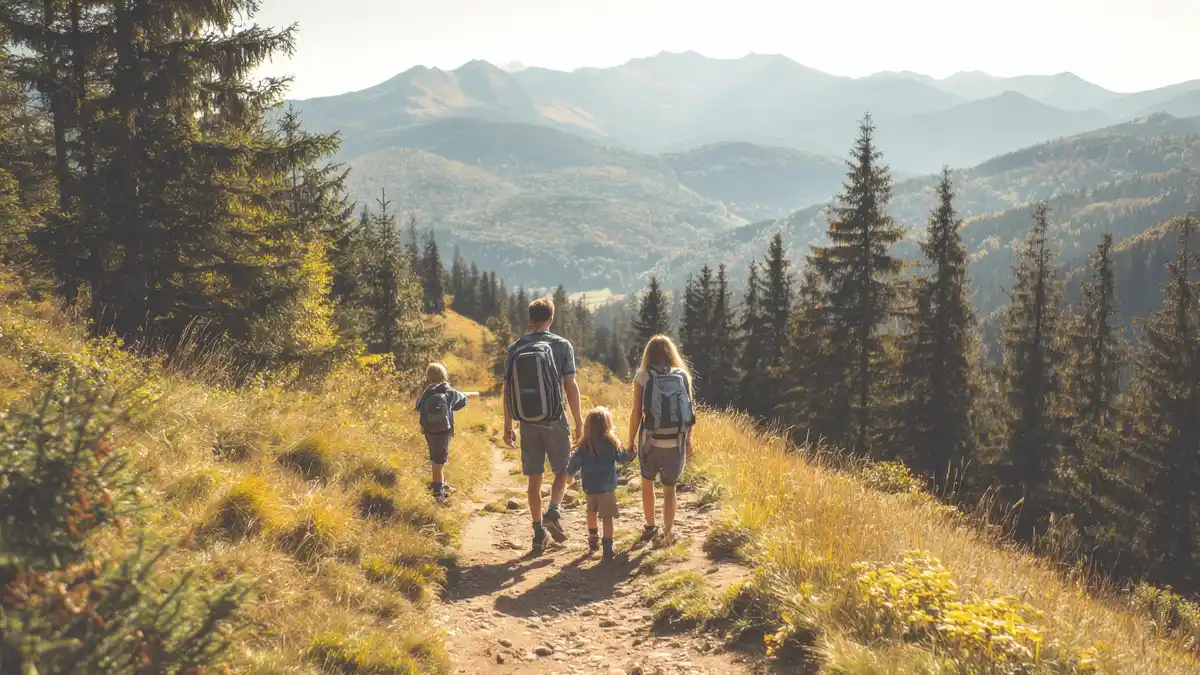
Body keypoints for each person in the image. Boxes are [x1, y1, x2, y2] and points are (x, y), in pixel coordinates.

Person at [502, 296, 584, 553]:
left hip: (527, 421)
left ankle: (538, 532)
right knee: (563, 469)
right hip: (554, 418)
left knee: (533, 480)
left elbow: (507, 389)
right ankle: (554, 510)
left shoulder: (516, 348)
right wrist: (579, 421)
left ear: (530, 321)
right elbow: (570, 385)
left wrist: (508, 424)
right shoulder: (561, 345)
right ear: (551, 319)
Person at [627, 335, 695, 545]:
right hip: (675, 442)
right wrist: (688, 440)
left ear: (648, 354)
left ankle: (650, 527)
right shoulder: (683, 376)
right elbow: (689, 411)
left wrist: (630, 441)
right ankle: (668, 533)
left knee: (647, 484)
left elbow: (637, 413)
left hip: (651, 441)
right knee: (669, 489)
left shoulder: (642, 376)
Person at [566, 407, 633, 561]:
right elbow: (623, 459)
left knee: (591, 512)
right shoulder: (612, 444)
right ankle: (607, 549)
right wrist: (631, 452)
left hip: (590, 487)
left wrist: (569, 475)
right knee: (607, 518)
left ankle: (593, 539)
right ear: (608, 426)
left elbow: (574, 462)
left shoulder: (584, 445)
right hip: (607, 488)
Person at [414, 363, 478, 503]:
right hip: (444, 430)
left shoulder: (427, 392)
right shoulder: (448, 391)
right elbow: (462, 401)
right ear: (444, 376)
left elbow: (418, 407)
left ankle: (440, 483)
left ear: (428, 377)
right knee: (440, 461)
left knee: (435, 457)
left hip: (428, 430)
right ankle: (438, 493)